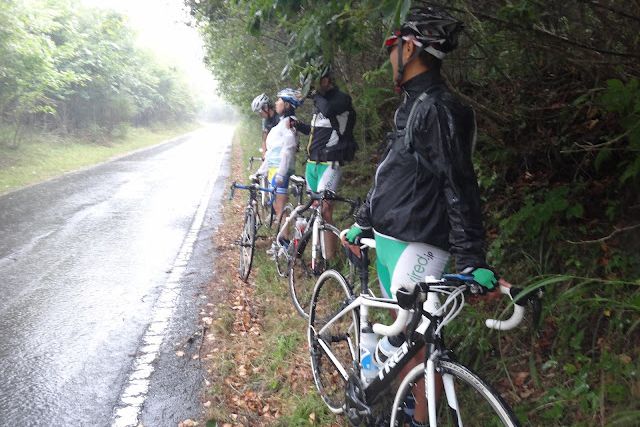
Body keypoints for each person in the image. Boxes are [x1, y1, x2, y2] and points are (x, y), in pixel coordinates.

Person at [342, 6, 498, 427]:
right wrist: (365, 219)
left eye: (392, 47)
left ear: (409, 47)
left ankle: (384, 392)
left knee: (413, 335)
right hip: (393, 236)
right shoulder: (413, 104)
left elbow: (459, 184)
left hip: (422, 239)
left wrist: (472, 259)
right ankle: (406, 404)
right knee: (408, 339)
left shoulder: (439, 107)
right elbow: (393, 172)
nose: (388, 55)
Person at [291, 64, 356, 259]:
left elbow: (328, 111)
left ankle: (330, 259)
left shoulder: (341, 100)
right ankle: (312, 254)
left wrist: (312, 94)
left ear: (326, 80)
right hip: (312, 164)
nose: (310, 89)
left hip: (330, 164)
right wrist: (298, 125)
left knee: (325, 210)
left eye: (314, 83)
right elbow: (317, 132)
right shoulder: (319, 103)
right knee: (313, 208)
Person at [254, 88, 303, 255]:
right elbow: (272, 151)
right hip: (273, 169)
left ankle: (285, 245)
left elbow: (289, 148)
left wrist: (282, 173)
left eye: (279, 101)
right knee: (276, 208)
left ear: (287, 104)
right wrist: (262, 170)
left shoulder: (289, 122)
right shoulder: (282, 122)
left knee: (281, 209)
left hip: (281, 170)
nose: (276, 103)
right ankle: (281, 242)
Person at [251, 93, 280, 159]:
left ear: (266, 108)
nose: (259, 115)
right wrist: (264, 156)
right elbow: (264, 139)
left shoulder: (279, 118)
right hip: (273, 155)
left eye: (260, 112)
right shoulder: (265, 121)